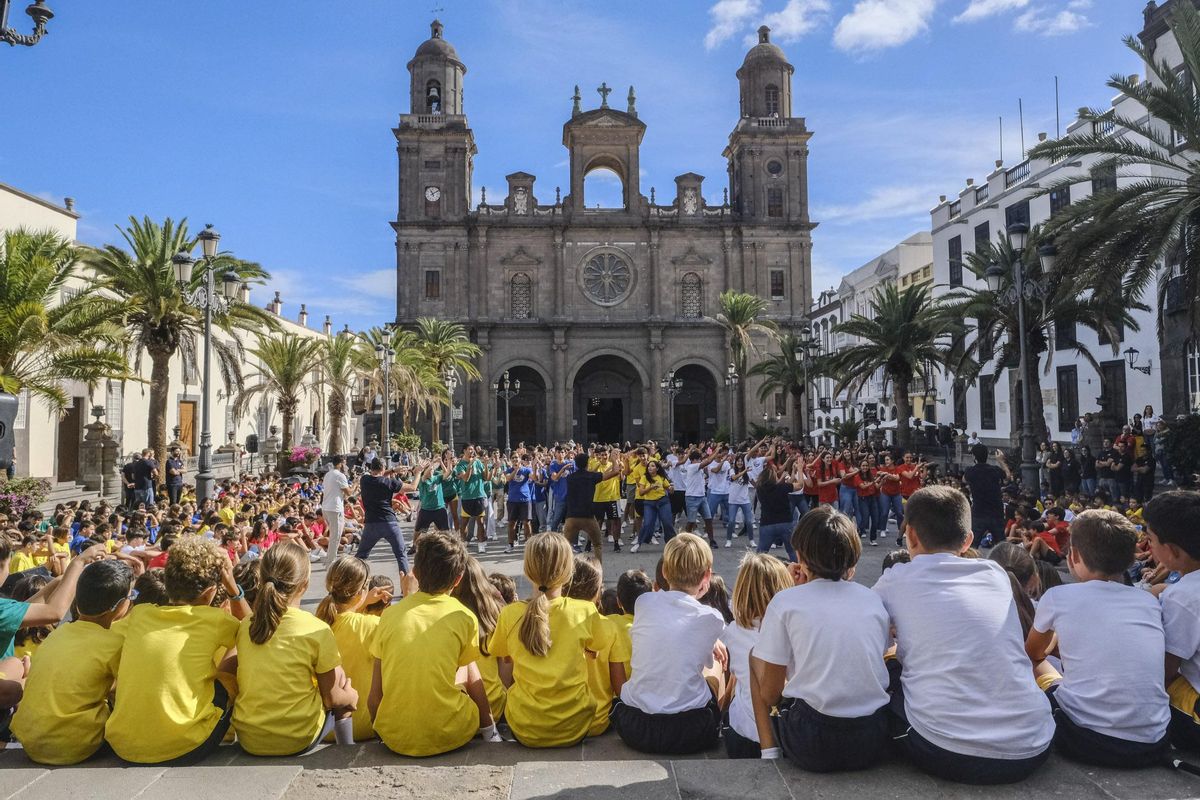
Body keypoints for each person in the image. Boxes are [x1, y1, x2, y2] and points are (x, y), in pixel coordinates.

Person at [874, 486, 1054, 784]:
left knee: (889, 669)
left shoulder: (895, 580)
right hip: (1032, 744)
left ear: (911, 535)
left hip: (948, 748)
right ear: (968, 539)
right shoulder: (996, 575)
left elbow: (864, 639)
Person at [1024, 510, 1170, 767]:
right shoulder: (1148, 602)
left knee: (1037, 666)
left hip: (1086, 740)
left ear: (1075, 556)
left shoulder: (1058, 597)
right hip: (1154, 741)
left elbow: (1032, 653)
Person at [751, 507, 892, 772]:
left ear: (800, 555)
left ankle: (768, 752)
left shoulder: (786, 602)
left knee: (754, 655)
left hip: (813, 741)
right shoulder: (872, 599)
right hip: (871, 737)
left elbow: (770, 694)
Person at [105, 537, 248, 764]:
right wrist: (233, 591)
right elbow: (252, 629)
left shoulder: (140, 615)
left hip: (124, 745)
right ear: (211, 592)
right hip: (186, 745)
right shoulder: (215, 619)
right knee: (234, 662)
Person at [371, 531, 500, 756]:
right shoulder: (463, 616)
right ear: (458, 578)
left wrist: (381, 731)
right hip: (451, 732)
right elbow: (472, 679)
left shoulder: (389, 616)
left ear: (416, 572)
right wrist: (488, 724)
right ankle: (490, 731)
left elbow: (376, 692)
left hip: (394, 735)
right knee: (469, 667)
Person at [488, 532, 616, 747]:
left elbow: (503, 659)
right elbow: (598, 649)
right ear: (568, 572)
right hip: (575, 725)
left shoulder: (510, 614)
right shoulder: (584, 611)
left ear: (528, 572)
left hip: (524, 727)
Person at [232, 542, 358, 755]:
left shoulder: (246, 625)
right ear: (304, 585)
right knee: (342, 685)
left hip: (250, 738)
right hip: (298, 737)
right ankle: (346, 751)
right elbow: (333, 698)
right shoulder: (317, 628)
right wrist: (351, 696)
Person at [611, 533, 726, 755]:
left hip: (634, 725)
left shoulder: (644, 602)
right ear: (707, 576)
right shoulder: (712, 618)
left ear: (664, 572)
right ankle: (720, 722)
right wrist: (714, 641)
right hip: (690, 730)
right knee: (717, 662)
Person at [10, 560, 133, 765]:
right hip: (74, 745)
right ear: (119, 606)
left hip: (30, 741)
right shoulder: (115, 643)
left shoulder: (57, 634)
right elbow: (125, 693)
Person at [719, 553, 791, 758]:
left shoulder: (733, 631)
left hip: (744, 735)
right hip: (787, 733)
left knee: (735, 681)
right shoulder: (795, 629)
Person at [1144, 491, 1200, 752]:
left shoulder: (1183, 596)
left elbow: (1166, 668)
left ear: (1173, 551)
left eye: (1151, 539)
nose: (1148, 544)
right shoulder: (1182, 591)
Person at [315, 556, 390, 742]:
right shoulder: (373, 625)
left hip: (323, 727)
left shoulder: (319, 621)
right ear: (361, 591)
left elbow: (345, 618)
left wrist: (362, 602)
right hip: (362, 725)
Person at [565, 554, 621, 737]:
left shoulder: (553, 622)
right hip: (598, 721)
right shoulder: (609, 627)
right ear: (597, 592)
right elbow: (618, 684)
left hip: (563, 720)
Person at [452, 557, 507, 724]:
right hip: (495, 707)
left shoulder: (450, 618)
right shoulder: (496, 614)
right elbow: (506, 664)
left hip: (459, 708)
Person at [563, 452, 621, 562]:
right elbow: (615, 472)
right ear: (588, 463)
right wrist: (613, 460)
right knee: (598, 544)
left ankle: (564, 572)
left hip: (571, 517)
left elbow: (588, 473)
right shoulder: (592, 477)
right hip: (588, 517)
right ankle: (598, 571)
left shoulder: (570, 478)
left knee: (565, 546)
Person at [355, 458, 409, 574]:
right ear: (383, 468)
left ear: (371, 468)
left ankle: (353, 581)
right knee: (401, 555)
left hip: (371, 524)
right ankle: (407, 587)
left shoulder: (364, 480)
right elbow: (413, 487)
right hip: (389, 523)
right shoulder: (389, 482)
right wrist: (419, 472)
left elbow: (378, 477)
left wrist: (392, 470)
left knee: (361, 556)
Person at [962, 445, 1010, 548]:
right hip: (996, 511)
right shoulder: (994, 470)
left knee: (972, 544)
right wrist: (1001, 461)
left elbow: (964, 480)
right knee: (1001, 545)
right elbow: (1008, 476)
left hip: (979, 511)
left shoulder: (971, 471)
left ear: (974, 457)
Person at [632, 460, 674, 553]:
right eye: (649, 466)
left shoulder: (662, 477)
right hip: (649, 503)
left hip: (663, 501)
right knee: (647, 523)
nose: (650, 468)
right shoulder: (644, 478)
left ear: (657, 468)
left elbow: (669, 489)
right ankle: (639, 543)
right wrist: (651, 487)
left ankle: (671, 544)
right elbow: (641, 492)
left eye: (653, 466)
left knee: (667, 523)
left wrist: (671, 488)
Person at [680, 449, 718, 545]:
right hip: (692, 497)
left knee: (708, 519)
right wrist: (716, 450)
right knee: (691, 521)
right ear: (693, 460)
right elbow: (708, 461)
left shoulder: (698, 469)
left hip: (702, 496)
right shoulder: (692, 466)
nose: (700, 461)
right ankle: (683, 540)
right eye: (698, 459)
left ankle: (712, 540)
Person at [320, 456, 352, 565]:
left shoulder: (328, 474)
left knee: (335, 534)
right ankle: (331, 560)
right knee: (336, 535)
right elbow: (349, 493)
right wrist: (356, 483)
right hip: (334, 509)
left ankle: (330, 557)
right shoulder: (340, 475)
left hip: (326, 508)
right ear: (341, 463)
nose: (346, 465)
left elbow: (341, 492)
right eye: (345, 463)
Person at [505, 454, 535, 554]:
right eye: (513, 458)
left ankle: (528, 544)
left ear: (520, 460)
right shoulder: (509, 470)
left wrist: (534, 468)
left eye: (516, 458)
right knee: (511, 523)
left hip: (525, 500)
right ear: (511, 460)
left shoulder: (526, 470)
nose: (515, 459)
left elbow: (534, 477)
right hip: (512, 500)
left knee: (527, 523)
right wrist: (516, 470)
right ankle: (510, 544)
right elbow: (508, 479)